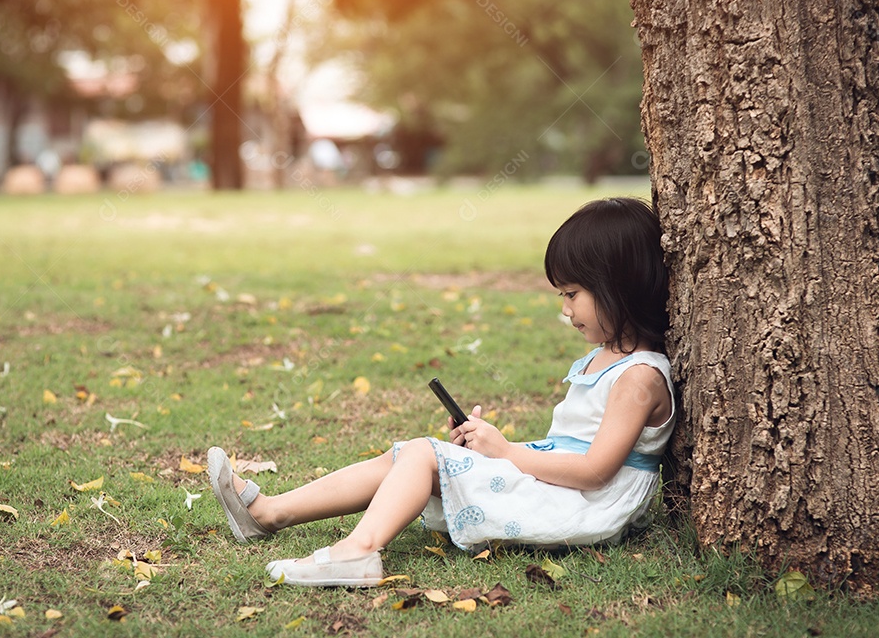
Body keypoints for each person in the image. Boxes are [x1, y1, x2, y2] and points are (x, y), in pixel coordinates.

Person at [207, 196, 675, 587]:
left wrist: (506, 450)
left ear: (619, 286)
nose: (567, 310)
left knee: (425, 456)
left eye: (573, 294)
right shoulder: (607, 357)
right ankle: (270, 514)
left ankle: (360, 551)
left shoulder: (640, 377)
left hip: (585, 505)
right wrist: (491, 447)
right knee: (411, 452)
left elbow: (595, 471)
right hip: (560, 484)